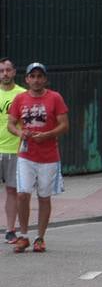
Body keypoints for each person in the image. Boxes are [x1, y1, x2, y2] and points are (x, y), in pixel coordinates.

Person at [6, 63, 69, 253]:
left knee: (43, 197)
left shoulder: (55, 98)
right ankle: (23, 235)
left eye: (39, 76)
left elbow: (64, 125)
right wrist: (19, 132)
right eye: (32, 76)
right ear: (26, 79)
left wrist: (48, 134)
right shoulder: (20, 98)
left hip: (49, 156)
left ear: (45, 79)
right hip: (26, 154)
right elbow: (10, 124)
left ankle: (40, 237)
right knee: (22, 193)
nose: (36, 80)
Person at [0, 58, 23, 243]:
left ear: (14, 72)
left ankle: (10, 230)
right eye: (1, 71)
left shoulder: (22, 95)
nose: (5, 74)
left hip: (14, 149)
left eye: (8, 70)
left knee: (12, 190)